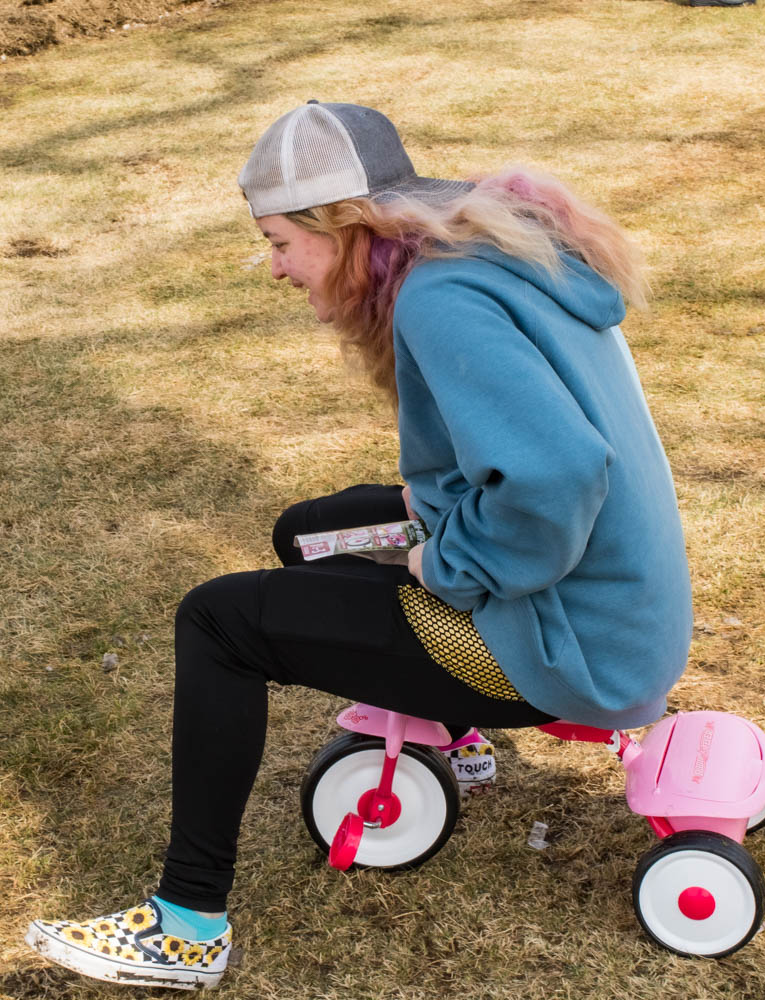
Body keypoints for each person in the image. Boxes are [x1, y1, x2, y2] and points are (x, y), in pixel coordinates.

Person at [25, 100, 693, 990]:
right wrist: (435, 504)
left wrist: (444, 564)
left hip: (572, 648)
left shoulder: (441, 297)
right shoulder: (480, 260)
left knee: (218, 620)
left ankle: (186, 928)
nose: (273, 269)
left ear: (345, 227)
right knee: (308, 536)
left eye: (278, 242)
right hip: (612, 610)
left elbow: (560, 475)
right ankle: (456, 740)